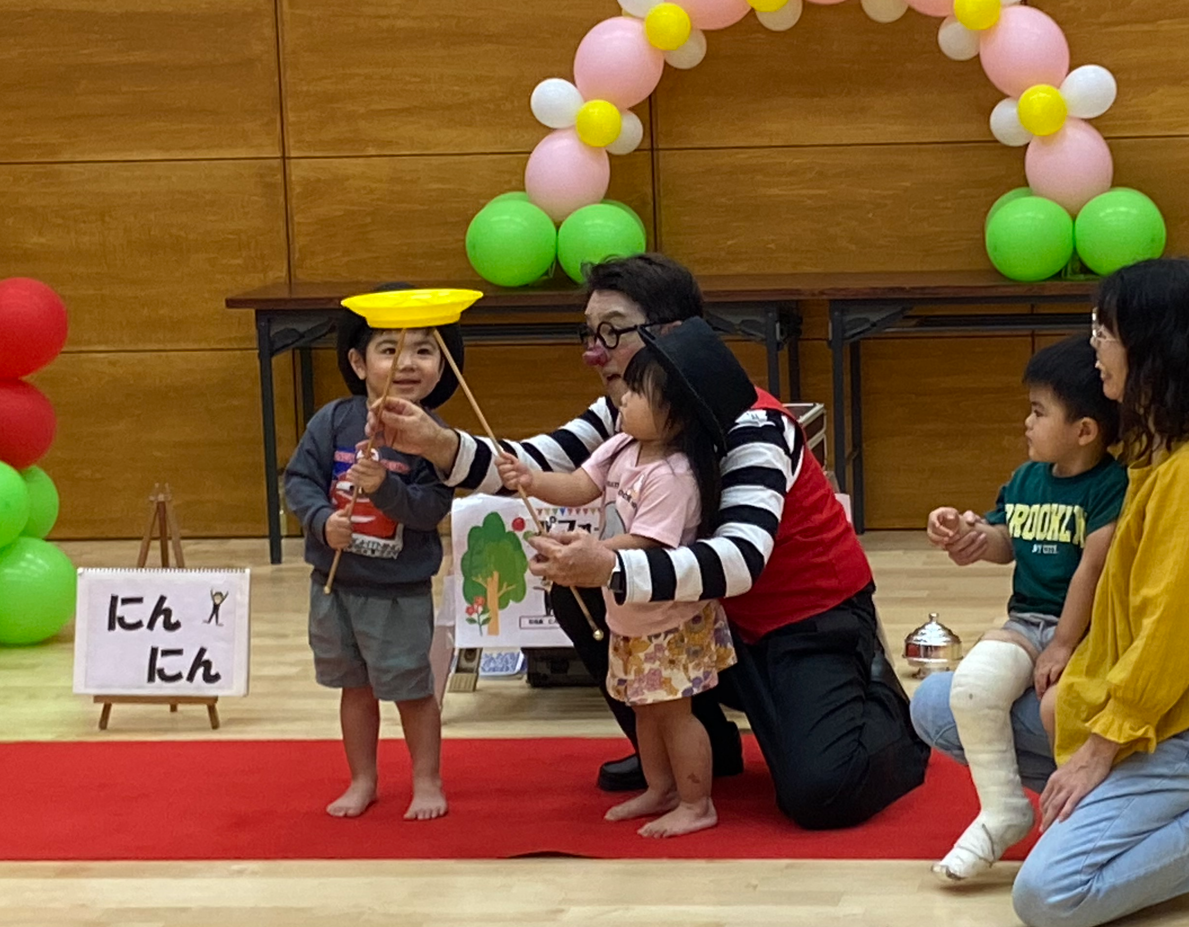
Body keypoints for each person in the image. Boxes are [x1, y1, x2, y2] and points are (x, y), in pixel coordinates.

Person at [370, 254, 930, 830]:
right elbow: (537, 465)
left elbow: (740, 561)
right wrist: (436, 443)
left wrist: (610, 566)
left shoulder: (755, 425)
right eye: (590, 334)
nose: (595, 352)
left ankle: (882, 701)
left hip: (803, 624)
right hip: (710, 619)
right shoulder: (627, 411)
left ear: (673, 334)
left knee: (822, 794)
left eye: (612, 332)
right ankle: (684, 748)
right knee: (578, 595)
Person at [914, 258, 1189, 927]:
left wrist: (1098, 749)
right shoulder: (1159, 442)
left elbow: (1168, 637)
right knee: (937, 704)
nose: (1093, 346)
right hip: (1143, 699)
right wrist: (985, 538)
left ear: (1154, 348)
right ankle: (1140, 804)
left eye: (1104, 331)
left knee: (1048, 896)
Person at [498, 319, 748, 837]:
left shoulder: (673, 476)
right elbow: (578, 485)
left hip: (669, 619)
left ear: (678, 414)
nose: (623, 399)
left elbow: (649, 545)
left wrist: (587, 554)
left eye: (637, 393)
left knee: (675, 714)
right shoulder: (621, 446)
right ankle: (661, 788)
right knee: (644, 708)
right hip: (630, 614)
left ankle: (697, 802)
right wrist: (531, 480)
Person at [917, 335, 1126, 882]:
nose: (1026, 424)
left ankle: (1082, 818)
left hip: (1084, 633)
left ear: (1084, 431)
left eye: (1038, 412)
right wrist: (965, 536)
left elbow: (1092, 570)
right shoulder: (1027, 479)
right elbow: (1004, 539)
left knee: (1062, 712)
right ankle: (1004, 809)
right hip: (1025, 623)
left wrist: (1063, 644)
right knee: (971, 686)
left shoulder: (1111, 485)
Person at [284, 299, 463, 821]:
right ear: (359, 363)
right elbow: (298, 481)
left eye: (424, 351)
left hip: (398, 593)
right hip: (336, 585)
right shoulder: (332, 422)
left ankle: (426, 780)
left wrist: (385, 487)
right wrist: (322, 521)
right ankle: (362, 779)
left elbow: (429, 510)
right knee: (354, 689)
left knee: (412, 691)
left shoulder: (435, 440)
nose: (407, 363)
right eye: (390, 350)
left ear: (442, 366)